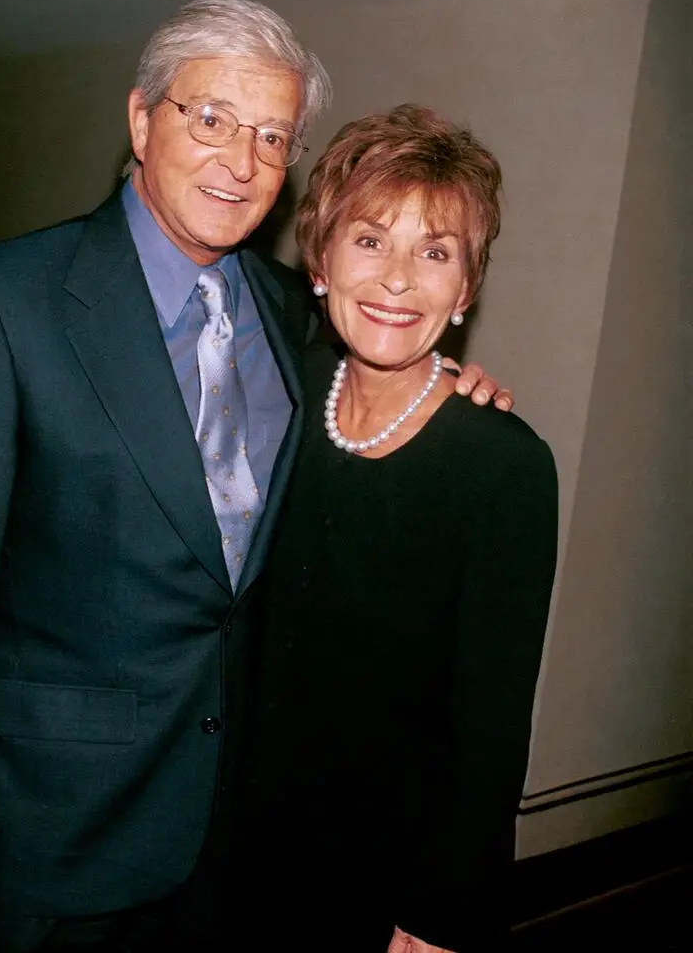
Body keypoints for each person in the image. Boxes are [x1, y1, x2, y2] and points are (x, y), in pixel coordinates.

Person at [0, 0, 507, 953]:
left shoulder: (291, 316)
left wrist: (452, 383)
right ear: (142, 120)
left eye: (271, 136)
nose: (242, 159)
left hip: (238, 843)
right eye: (210, 118)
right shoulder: (0, 302)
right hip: (49, 838)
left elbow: (378, 375)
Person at [231, 104, 558, 953]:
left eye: (436, 252)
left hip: (381, 885)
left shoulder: (503, 465)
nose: (400, 280)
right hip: (230, 855)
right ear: (321, 258)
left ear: (466, 290)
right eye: (371, 240)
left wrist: (438, 910)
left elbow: (490, 726)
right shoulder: (281, 394)